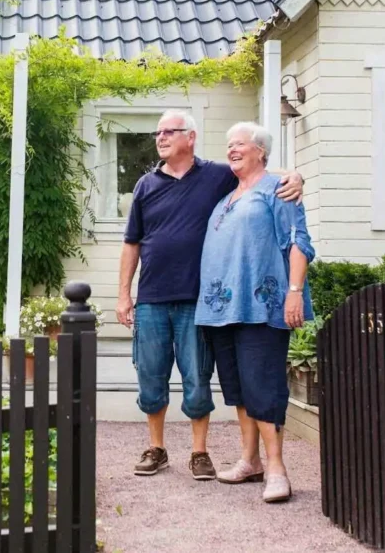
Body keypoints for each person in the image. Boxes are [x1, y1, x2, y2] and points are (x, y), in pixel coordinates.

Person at [116, 109, 303, 480]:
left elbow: (260, 173)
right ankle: (157, 448)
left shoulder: (215, 175)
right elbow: (131, 243)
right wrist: (124, 294)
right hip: (153, 297)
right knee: (151, 377)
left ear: (191, 137)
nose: (161, 137)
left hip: (198, 301)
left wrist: (297, 175)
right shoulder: (145, 185)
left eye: (170, 131)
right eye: (158, 132)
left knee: (198, 379)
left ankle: (200, 453)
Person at [195, 121, 315, 503]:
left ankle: (277, 467)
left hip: (262, 305)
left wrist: (294, 292)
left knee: (263, 387)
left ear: (260, 151)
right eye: (229, 144)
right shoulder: (227, 196)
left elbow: (299, 242)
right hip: (222, 308)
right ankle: (250, 461)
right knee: (239, 389)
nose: (232, 150)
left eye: (240, 144)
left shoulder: (278, 190)